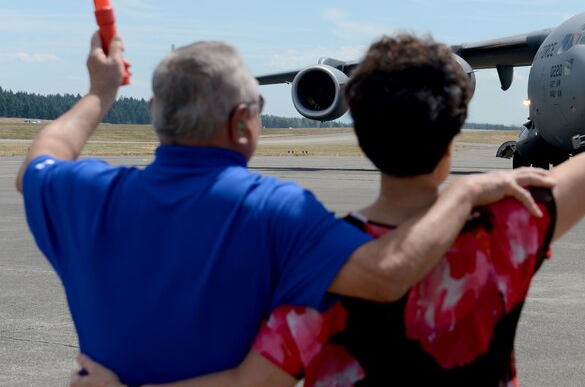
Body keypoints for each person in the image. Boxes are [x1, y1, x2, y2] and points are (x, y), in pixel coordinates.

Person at [70, 32, 585, 387]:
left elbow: (252, 382)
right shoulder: (510, 225)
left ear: (362, 132)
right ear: (452, 138)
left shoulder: (317, 259)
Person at [17, 32, 550, 386]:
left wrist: (99, 94)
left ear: (156, 113)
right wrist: (462, 192)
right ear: (244, 122)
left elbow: (38, 161)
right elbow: (388, 273)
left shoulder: (82, 193)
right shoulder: (274, 211)